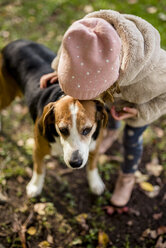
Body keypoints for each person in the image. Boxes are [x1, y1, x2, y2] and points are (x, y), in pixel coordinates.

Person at [40, 9, 166, 207]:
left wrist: (141, 112)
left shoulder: (157, 72)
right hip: (110, 104)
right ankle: (110, 134)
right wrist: (59, 72)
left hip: (136, 108)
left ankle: (127, 175)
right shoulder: (84, 35)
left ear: (114, 76)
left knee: (132, 139)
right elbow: (67, 51)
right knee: (107, 120)